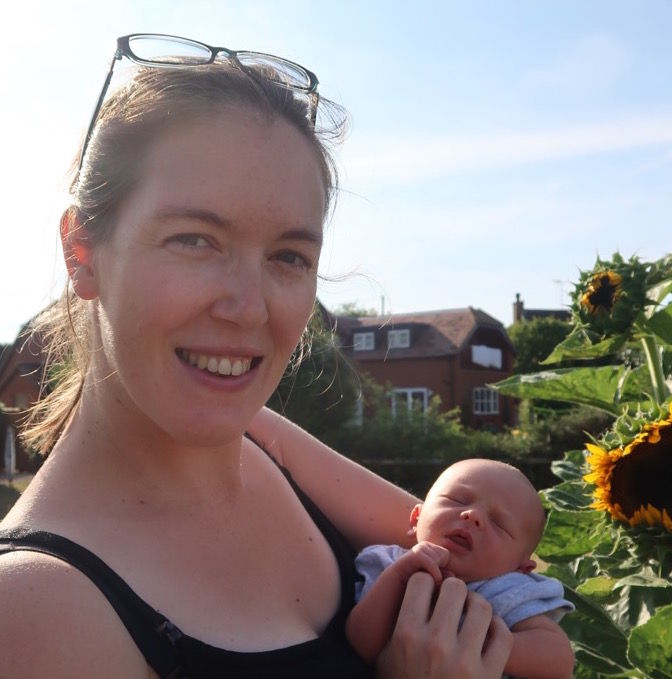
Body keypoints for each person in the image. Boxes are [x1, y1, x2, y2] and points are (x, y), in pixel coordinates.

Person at [0, 34, 511, 678]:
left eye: (288, 257)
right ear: (82, 252)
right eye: (194, 239)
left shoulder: (274, 447)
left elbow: (507, 575)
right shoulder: (30, 610)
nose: (249, 309)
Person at [346, 458, 575, 679]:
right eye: (457, 500)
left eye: (499, 523)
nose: (473, 515)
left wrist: (480, 643)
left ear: (521, 567)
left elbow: (560, 660)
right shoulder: (389, 563)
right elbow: (360, 643)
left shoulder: (507, 589)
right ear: (416, 518)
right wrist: (397, 577)